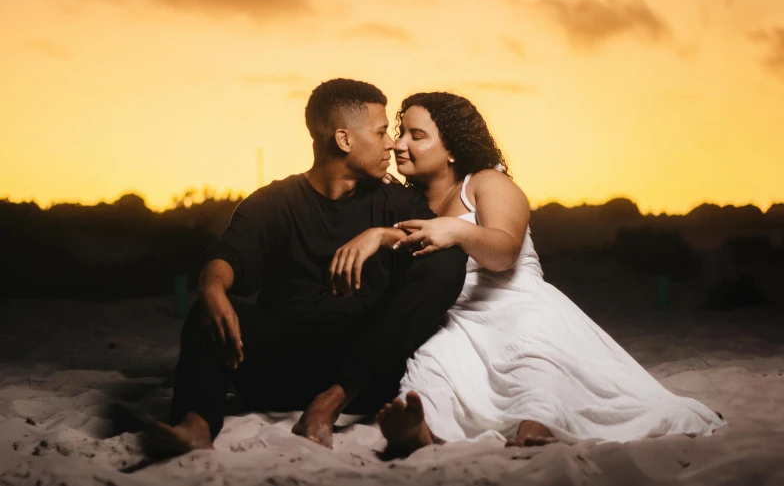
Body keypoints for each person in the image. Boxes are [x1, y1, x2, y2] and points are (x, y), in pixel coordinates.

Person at [370, 92, 726, 454]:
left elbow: (504, 252)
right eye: (401, 133)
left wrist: (457, 230)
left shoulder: (486, 184)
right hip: (456, 317)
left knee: (530, 356)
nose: (399, 144)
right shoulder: (409, 202)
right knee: (431, 364)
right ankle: (421, 428)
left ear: (452, 149)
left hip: (517, 306)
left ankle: (535, 424)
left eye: (416, 135)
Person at [144, 80, 467, 456]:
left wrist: (380, 235)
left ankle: (329, 403)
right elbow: (230, 252)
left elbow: (437, 243)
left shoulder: (396, 203)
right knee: (207, 308)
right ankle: (195, 426)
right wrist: (213, 289)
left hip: (363, 375)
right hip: (281, 368)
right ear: (344, 140)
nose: (391, 144)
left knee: (445, 262)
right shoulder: (276, 201)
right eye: (381, 133)